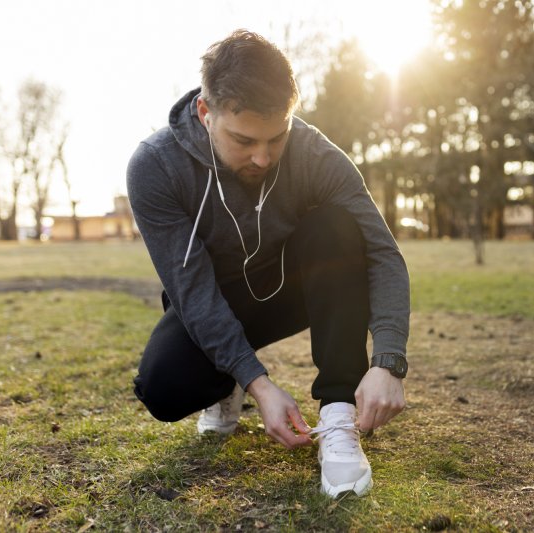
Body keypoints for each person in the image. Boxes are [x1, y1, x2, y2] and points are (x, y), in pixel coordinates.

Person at [126, 29, 410, 498]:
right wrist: (257, 384)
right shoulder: (156, 166)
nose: (262, 156)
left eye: (276, 138)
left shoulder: (315, 154)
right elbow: (191, 290)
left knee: (337, 228)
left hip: (289, 286)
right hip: (214, 296)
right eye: (243, 140)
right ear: (205, 112)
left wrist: (388, 362)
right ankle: (226, 385)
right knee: (163, 388)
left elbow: (382, 252)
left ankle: (338, 416)